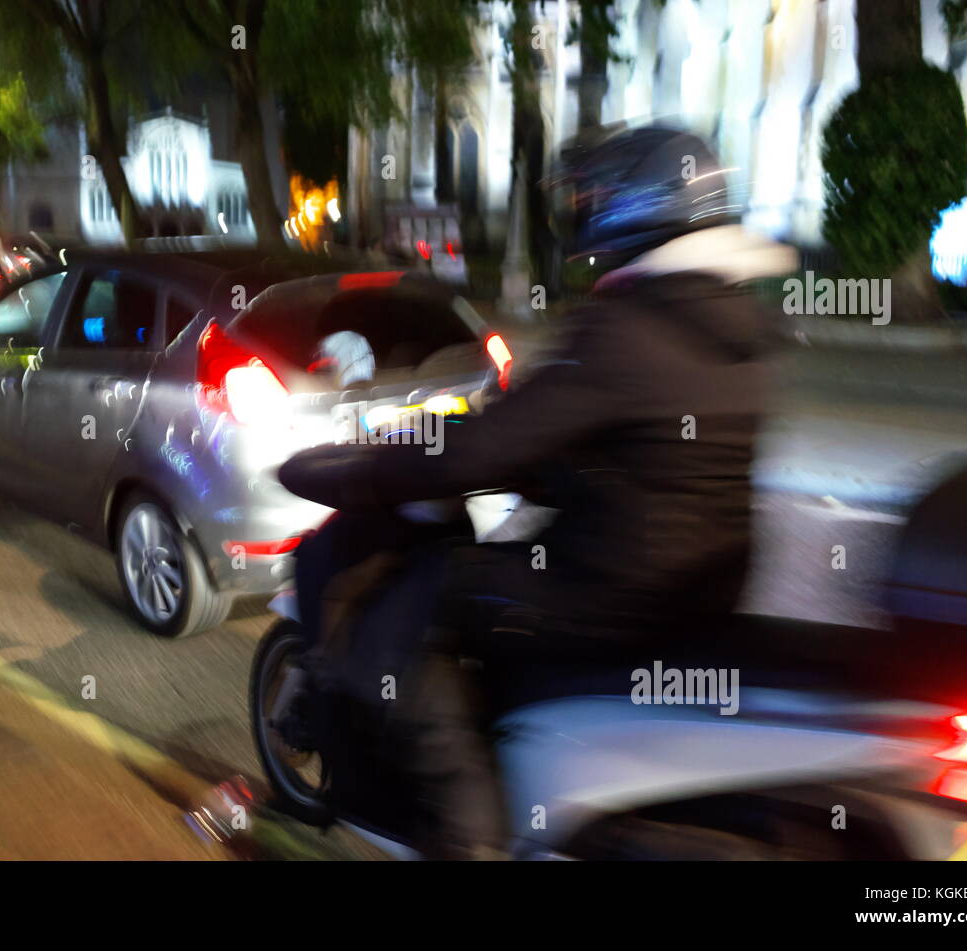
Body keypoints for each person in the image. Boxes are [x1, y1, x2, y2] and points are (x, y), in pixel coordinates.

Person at [282, 122, 797, 859]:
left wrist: (362, 467)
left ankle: (469, 837)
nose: (582, 210)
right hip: (700, 586)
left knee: (426, 590)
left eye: (592, 196)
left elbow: (480, 450)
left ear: (631, 206)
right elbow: (633, 451)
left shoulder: (627, 326)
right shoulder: (733, 328)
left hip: (609, 590)